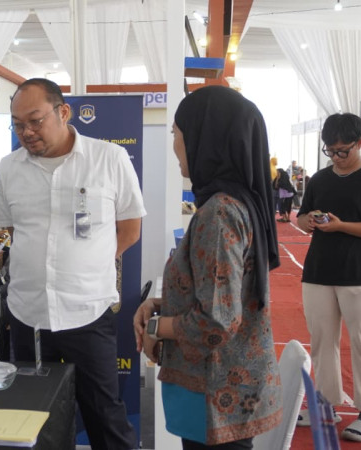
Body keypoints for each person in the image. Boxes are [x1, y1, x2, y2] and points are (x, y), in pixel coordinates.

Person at [0, 78, 146, 449]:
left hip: (87, 312)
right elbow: (13, 230)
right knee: (38, 418)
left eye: (34, 120)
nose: (26, 132)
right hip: (29, 314)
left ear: (63, 112)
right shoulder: (9, 168)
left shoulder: (108, 159)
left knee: (105, 415)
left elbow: (129, 229)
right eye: (17, 124)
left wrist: (85, 264)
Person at [134, 86, 282, 449]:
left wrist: (156, 327)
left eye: (176, 134)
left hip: (215, 392)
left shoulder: (219, 213)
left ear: (205, 137)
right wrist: (161, 305)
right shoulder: (235, 204)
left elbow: (217, 320)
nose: (174, 147)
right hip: (224, 388)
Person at [296, 113, 361, 442]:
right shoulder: (320, 180)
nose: (338, 157)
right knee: (322, 342)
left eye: (344, 150)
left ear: (360, 144)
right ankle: (325, 404)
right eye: (331, 151)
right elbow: (300, 218)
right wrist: (309, 220)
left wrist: (342, 226)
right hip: (318, 272)